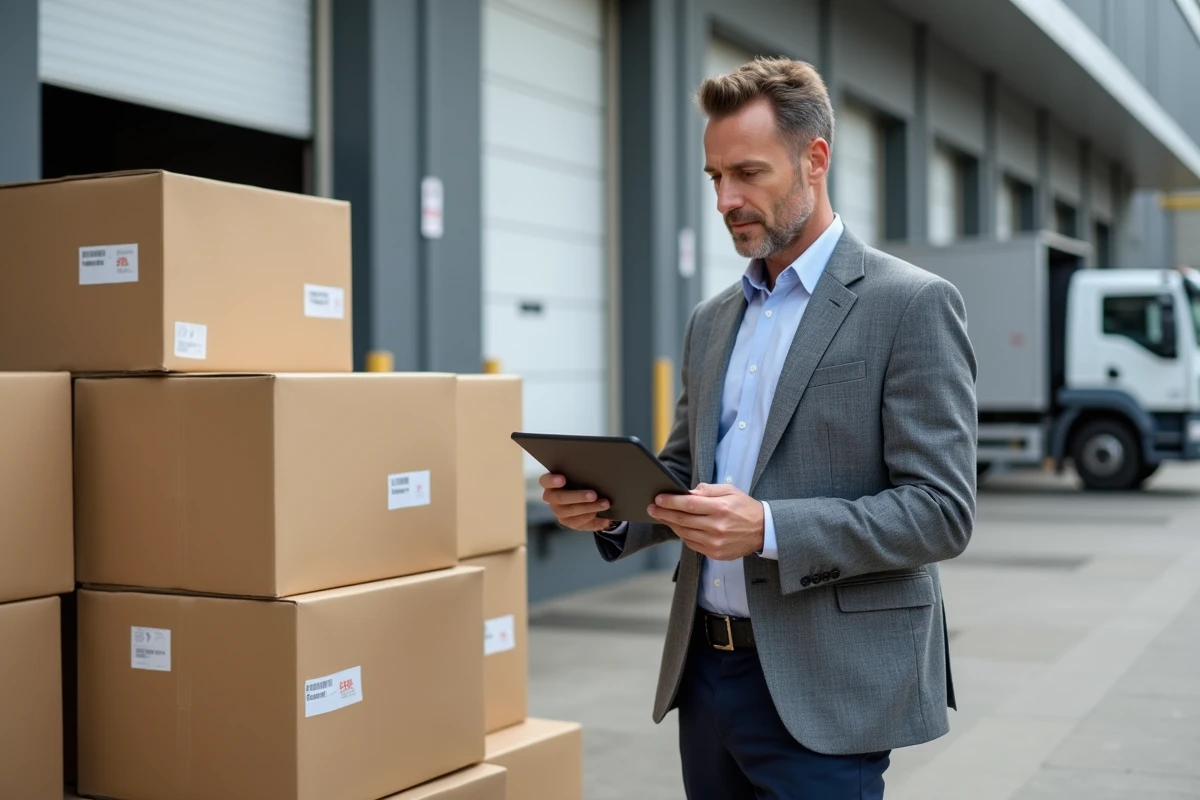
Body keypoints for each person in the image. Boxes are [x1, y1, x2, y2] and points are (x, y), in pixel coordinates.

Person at [539, 57, 977, 799]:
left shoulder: (911, 305)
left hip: (828, 686)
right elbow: (684, 473)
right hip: (706, 676)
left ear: (815, 159)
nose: (726, 199)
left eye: (747, 173)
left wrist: (768, 527)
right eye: (714, 178)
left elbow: (940, 513)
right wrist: (612, 509)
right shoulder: (713, 320)